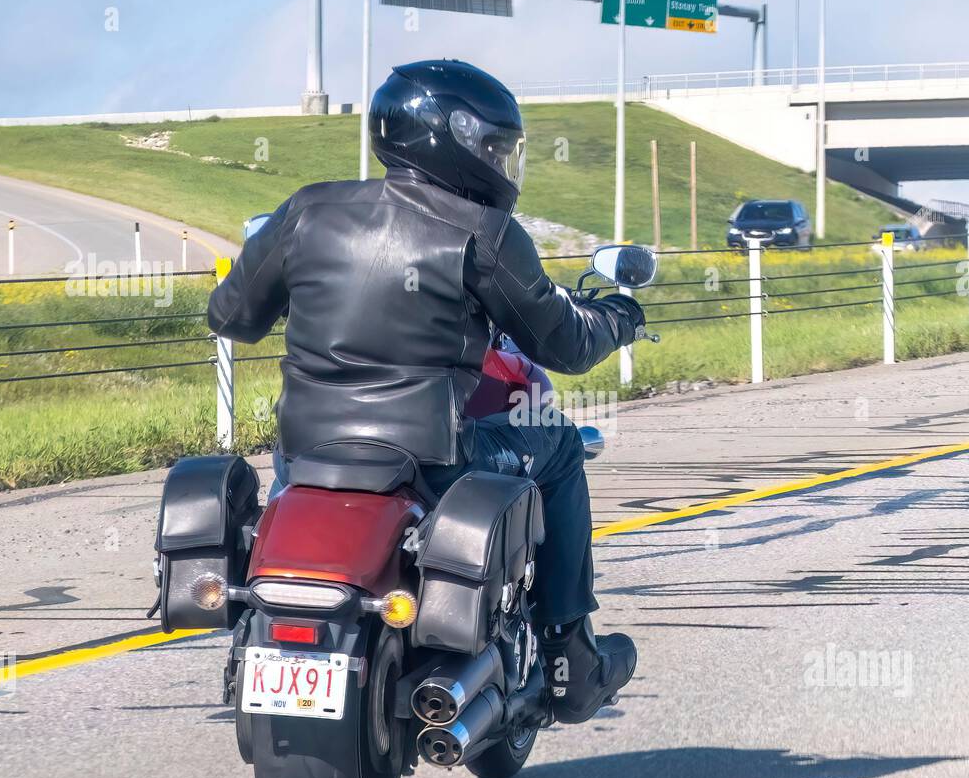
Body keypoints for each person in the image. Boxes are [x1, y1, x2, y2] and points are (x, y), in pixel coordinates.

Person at [207, 59, 645, 723]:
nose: (502, 163)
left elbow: (230, 316)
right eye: (494, 147)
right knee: (556, 444)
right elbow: (565, 344)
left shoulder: (307, 210)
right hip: (431, 459)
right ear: (457, 143)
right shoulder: (484, 234)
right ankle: (569, 655)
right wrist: (619, 316)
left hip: (306, 455)